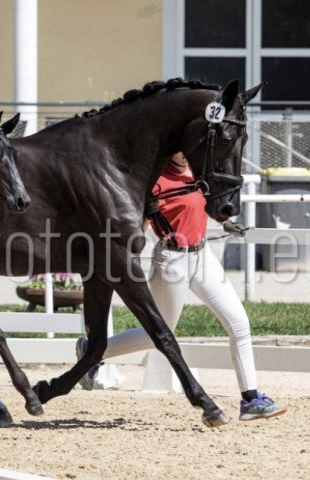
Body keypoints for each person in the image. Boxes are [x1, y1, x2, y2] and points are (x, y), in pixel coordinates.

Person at [76, 151, 287, 421]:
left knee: (239, 322)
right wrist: (145, 216)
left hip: (203, 256)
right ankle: (92, 351)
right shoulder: (155, 181)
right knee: (160, 334)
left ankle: (251, 399)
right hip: (171, 261)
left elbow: (209, 204)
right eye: (181, 149)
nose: (187, 154)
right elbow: (136, 230)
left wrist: (227, 222)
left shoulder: (197, 171)